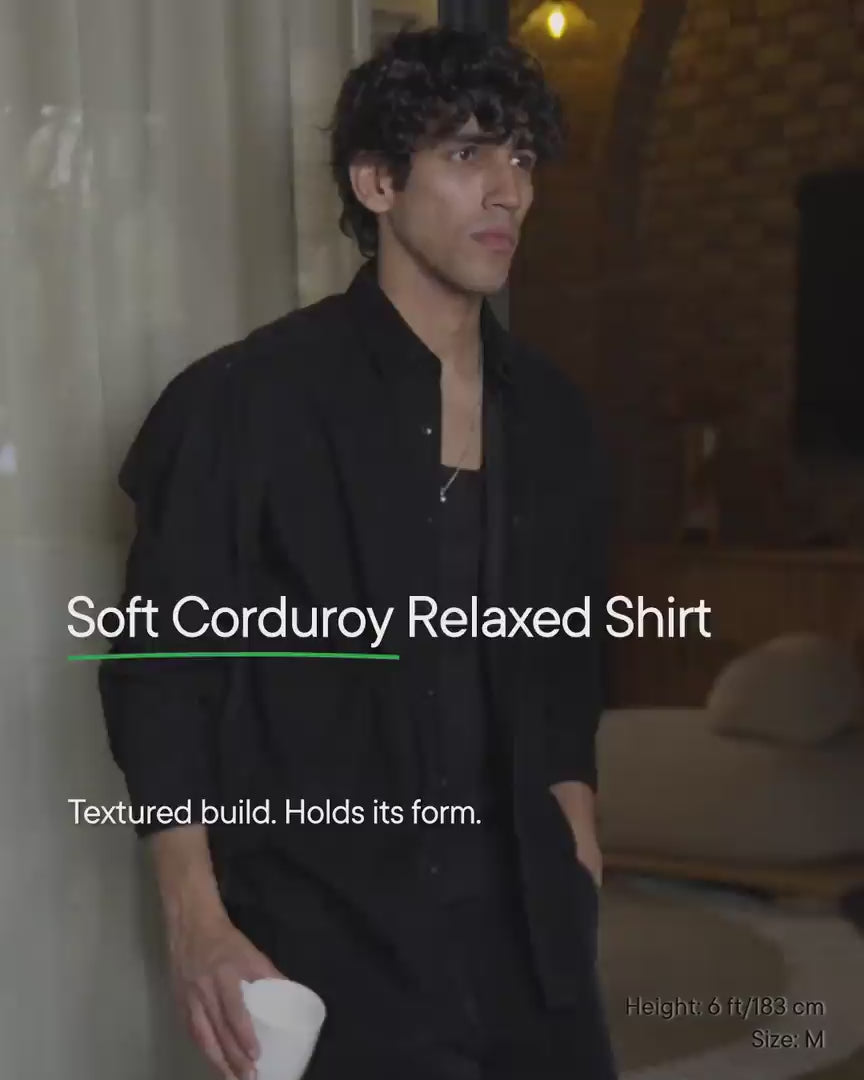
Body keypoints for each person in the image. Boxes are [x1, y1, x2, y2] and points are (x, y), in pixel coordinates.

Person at [99, 25, 618, 1080]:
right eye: (467, 154)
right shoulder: (246, 401)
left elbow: (564, 666)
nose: (508, 191)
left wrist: (579, 843)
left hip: (532, 937)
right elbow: (162, 676)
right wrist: (196, 922)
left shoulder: (555, 417)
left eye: (521, 157)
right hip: (330, 933)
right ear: (377, 182)